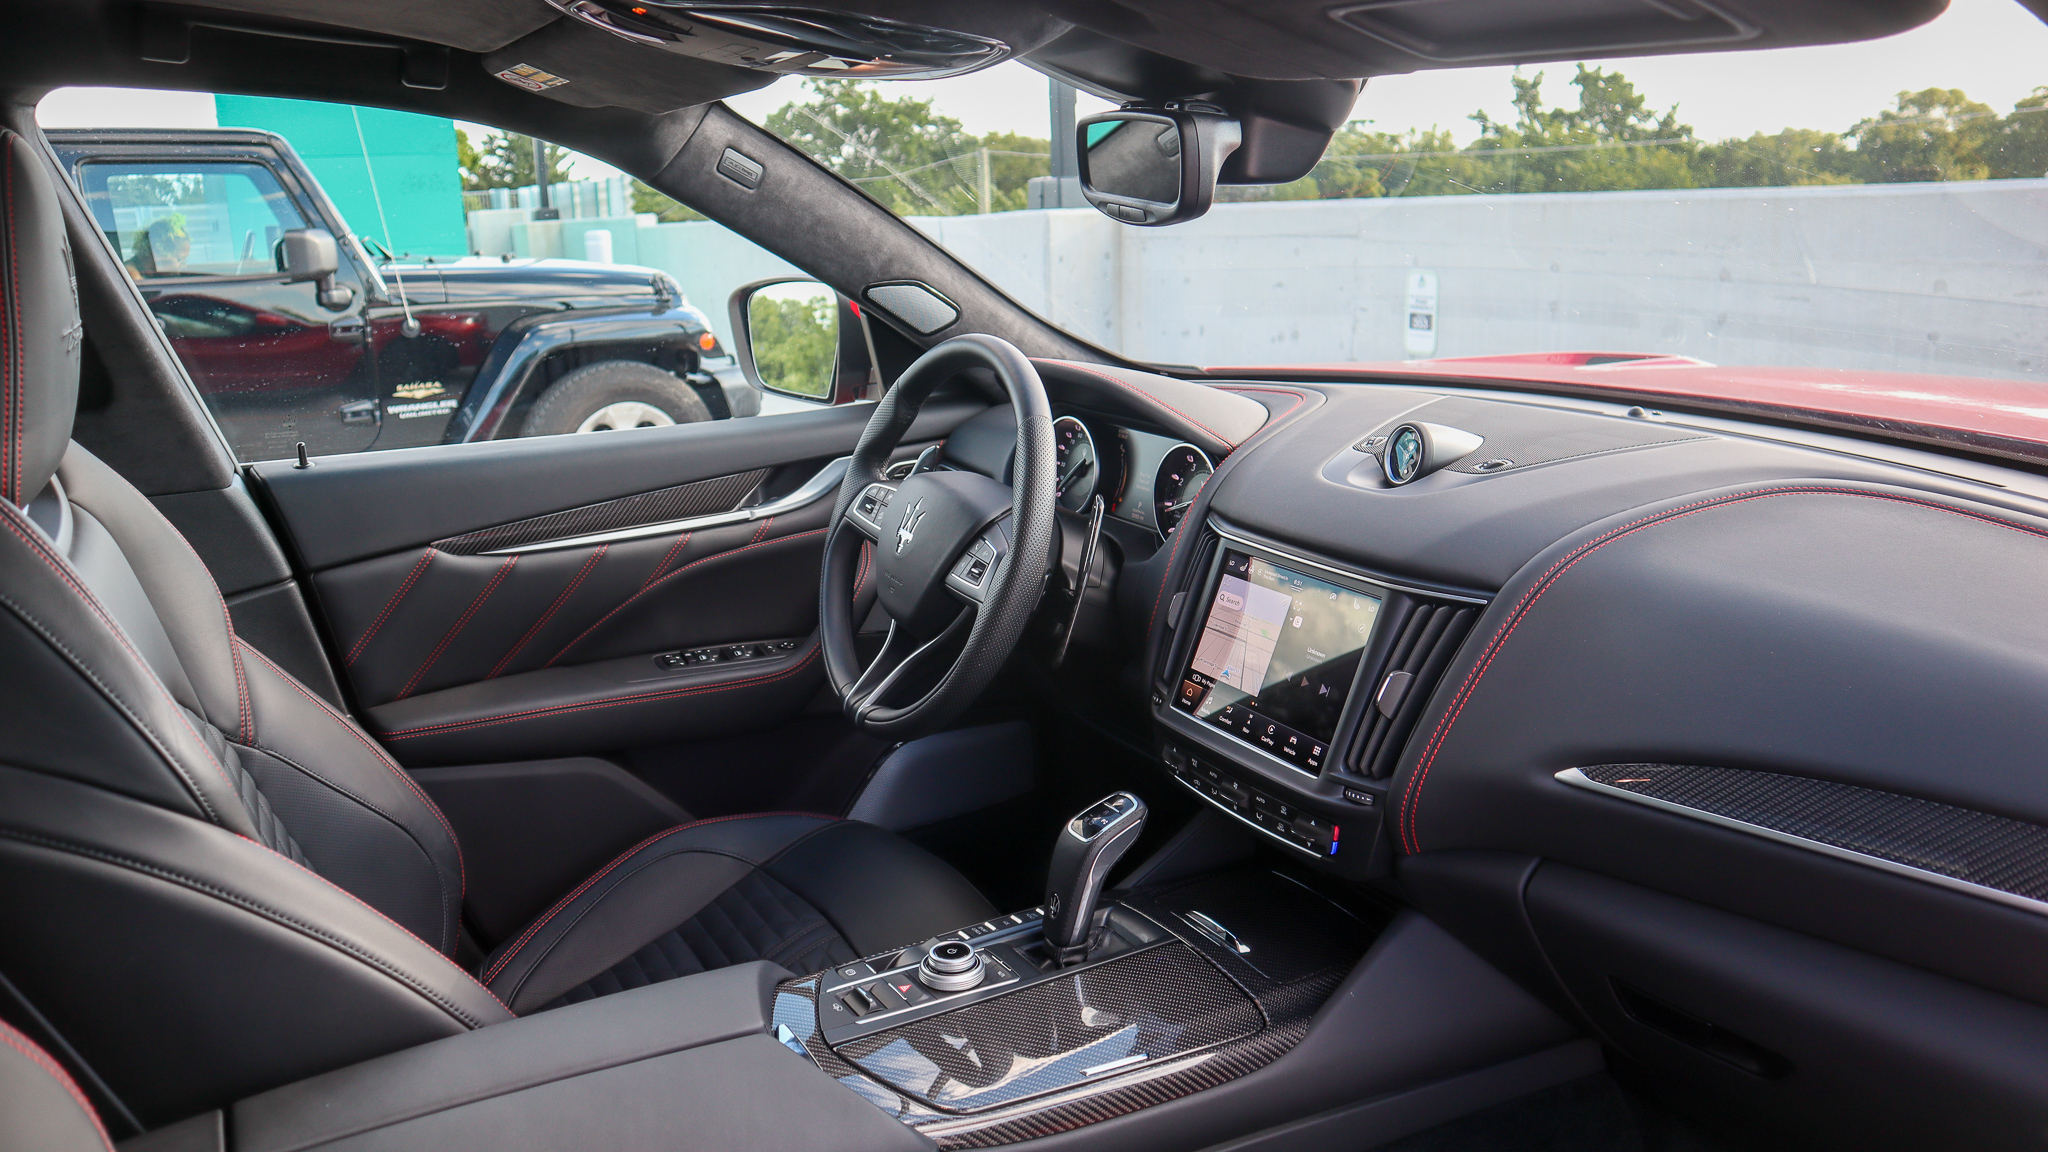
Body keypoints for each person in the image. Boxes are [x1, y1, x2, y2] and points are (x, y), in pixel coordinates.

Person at [126, 214, 190, 279]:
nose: (185, 266)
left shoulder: (151, 274)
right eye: (179, 260)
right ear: (158, 254)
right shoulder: (133, 277)